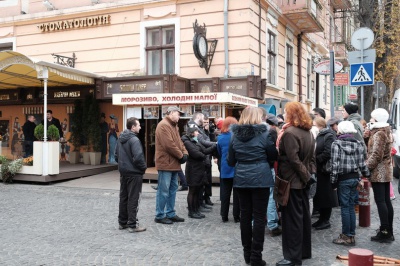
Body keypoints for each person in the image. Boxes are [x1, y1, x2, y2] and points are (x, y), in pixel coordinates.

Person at [228, 107, 277, 266]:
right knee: (259, 218)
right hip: (261, 178)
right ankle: (256, 257)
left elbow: (230, 160)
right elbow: (273, 156)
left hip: (242, 178)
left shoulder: (234, 136)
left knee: (245, 216)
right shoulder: (264, 134)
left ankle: (247, 255)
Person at [275, 102, 316, 266]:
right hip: (300, 181)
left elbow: (294, 160)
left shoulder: (290, 133)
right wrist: (309, 176)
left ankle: (293, 257)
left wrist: (307, 177)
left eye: (286, 112)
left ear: (291, 115)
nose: (284, 115)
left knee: (292, 220)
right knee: (303, 218)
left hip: (292, 182)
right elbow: (311, 159)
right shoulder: (308, 132)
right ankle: (303, 252)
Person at [331, 121, 370, 246]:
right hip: (355, 179)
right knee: (351, 207)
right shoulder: (358, 144)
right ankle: (351, 235)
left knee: (345, 208)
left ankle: (346, 236)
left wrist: (333, 182)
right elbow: (362, 163)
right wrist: (367, 174)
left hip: (343, 179)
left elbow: (335, 165)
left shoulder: (336, 144)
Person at [154, 106, 188, 224]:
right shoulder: (163, 125)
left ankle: (170, 213)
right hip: (166, 163)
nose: (179, 116)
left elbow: (179, 142)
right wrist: (181, 155)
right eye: (178, 114)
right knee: (163, 190)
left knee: (172, 189)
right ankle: (159, 215)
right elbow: (169, 145)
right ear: (171, 113)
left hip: (173, 163)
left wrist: (185, 153)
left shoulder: (174, 126)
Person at [365, 108, 395, 242]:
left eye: (372, 118)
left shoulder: (379, 133)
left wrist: (365, 168)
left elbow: (376, 154)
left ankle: (385, 231)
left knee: (381, 201)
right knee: (386, 201)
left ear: (377, 119)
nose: (370, 120)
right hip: (385, 170)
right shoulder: (384, 131)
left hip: (379, 171)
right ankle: (388, 230)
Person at [115, 117, 147, 233]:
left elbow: (116, 155)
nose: (140, 127)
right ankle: (132, 225)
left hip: (123, 172)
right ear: (133, 127)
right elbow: (138, 157)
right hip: (134, 173)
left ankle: (122, 222)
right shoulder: (134, 140)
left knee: (124, 197)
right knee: (134, 198)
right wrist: (143, 168)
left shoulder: (120, 138)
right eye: (138, 125)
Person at [182, 126, 215, 219]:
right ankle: (191, 211)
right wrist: (204, 156)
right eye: (196, 131)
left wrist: (214, 145)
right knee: (192, 191)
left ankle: (196, 209)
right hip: (193, 170)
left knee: (197, 191)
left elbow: (204, 151)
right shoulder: (187, 142)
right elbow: (196, 154)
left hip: (199, 170)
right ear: (192, 133)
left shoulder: (195, 141)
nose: (198, 133)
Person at [312, 117, 336, 230]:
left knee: (326, 195)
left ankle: (325, 220)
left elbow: (328, 152)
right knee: (320, 195)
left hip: (325, 170)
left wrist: (316, 159)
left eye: (314, 124)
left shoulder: (328, 135)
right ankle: (321, 218)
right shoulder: (318, 134)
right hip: (319, 170)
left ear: (319, 124)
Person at [188, 113, 216, 208]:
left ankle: (201, 203)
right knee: (196, 188)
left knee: (203, 183)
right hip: (197, 163)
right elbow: (201, 143)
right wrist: (216, 144)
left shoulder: (199, 128)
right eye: (203, 119)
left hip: (204, 159)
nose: (205, 122)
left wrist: (210, 132)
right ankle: (195, 207)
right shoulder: (192, 127)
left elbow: (204, 143)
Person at [217, 116, 240, 223]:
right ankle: (236, 216)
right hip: (236, 167)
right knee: (237, 194)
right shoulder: (237, 137)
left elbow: (219, 153)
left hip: (225, 167)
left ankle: (224, 215)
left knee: (225, 193)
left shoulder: (220, 138)